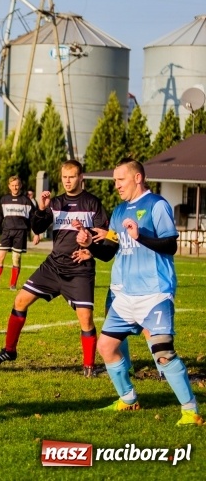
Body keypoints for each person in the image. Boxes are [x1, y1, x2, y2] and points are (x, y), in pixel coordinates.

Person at [79, 158, 202, 426]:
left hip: (154, 293)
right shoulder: (119, 211)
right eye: (114, 181)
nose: (116, 185)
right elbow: (110, 251)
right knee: (107, 346)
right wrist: (91, 243)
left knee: (162, 352)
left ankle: (190, 410)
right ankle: (128, 398)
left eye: (120, 180)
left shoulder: (157, 205)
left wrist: (140, 237)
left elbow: (170, 245)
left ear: (137, 178)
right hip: (125, 296)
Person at [0, 160, 109, 377]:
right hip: (53, 266)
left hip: (79, 270)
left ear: (81, 178)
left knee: (86, 318)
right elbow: (37, 227)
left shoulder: (93, 203)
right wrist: (42, 209)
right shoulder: (57, 202)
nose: (67, 181)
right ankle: (9, 350)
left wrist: (91, 250)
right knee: (20, 300)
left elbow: (104, 236)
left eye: (72, 177)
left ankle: (89, 366)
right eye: (64, 177)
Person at [0, 176, 40, 290]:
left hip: (20, 232)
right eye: (13, 185)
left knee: (16, 258)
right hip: (6, 232)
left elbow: (33, 219)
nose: (15, 187)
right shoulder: (4, 200)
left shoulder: (26, 201)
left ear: (20, 185)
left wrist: (36, 233)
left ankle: (12, 285)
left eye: (17, 185)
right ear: (9, 186)